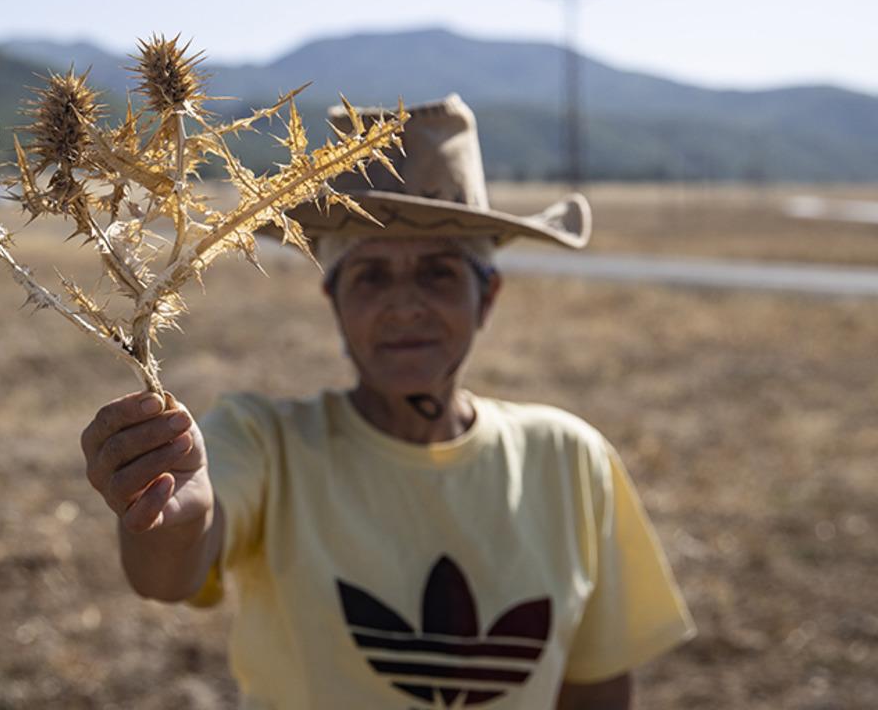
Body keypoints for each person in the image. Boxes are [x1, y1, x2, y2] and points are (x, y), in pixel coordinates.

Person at [80, 94, 695, 709]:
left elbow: (597, 685)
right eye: (371, 275)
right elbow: (169, 574)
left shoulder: (568, 460)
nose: (404, 306)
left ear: (487, 297)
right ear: (334, 299)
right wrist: (172, 520)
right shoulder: (264, 443)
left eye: (438, 273)